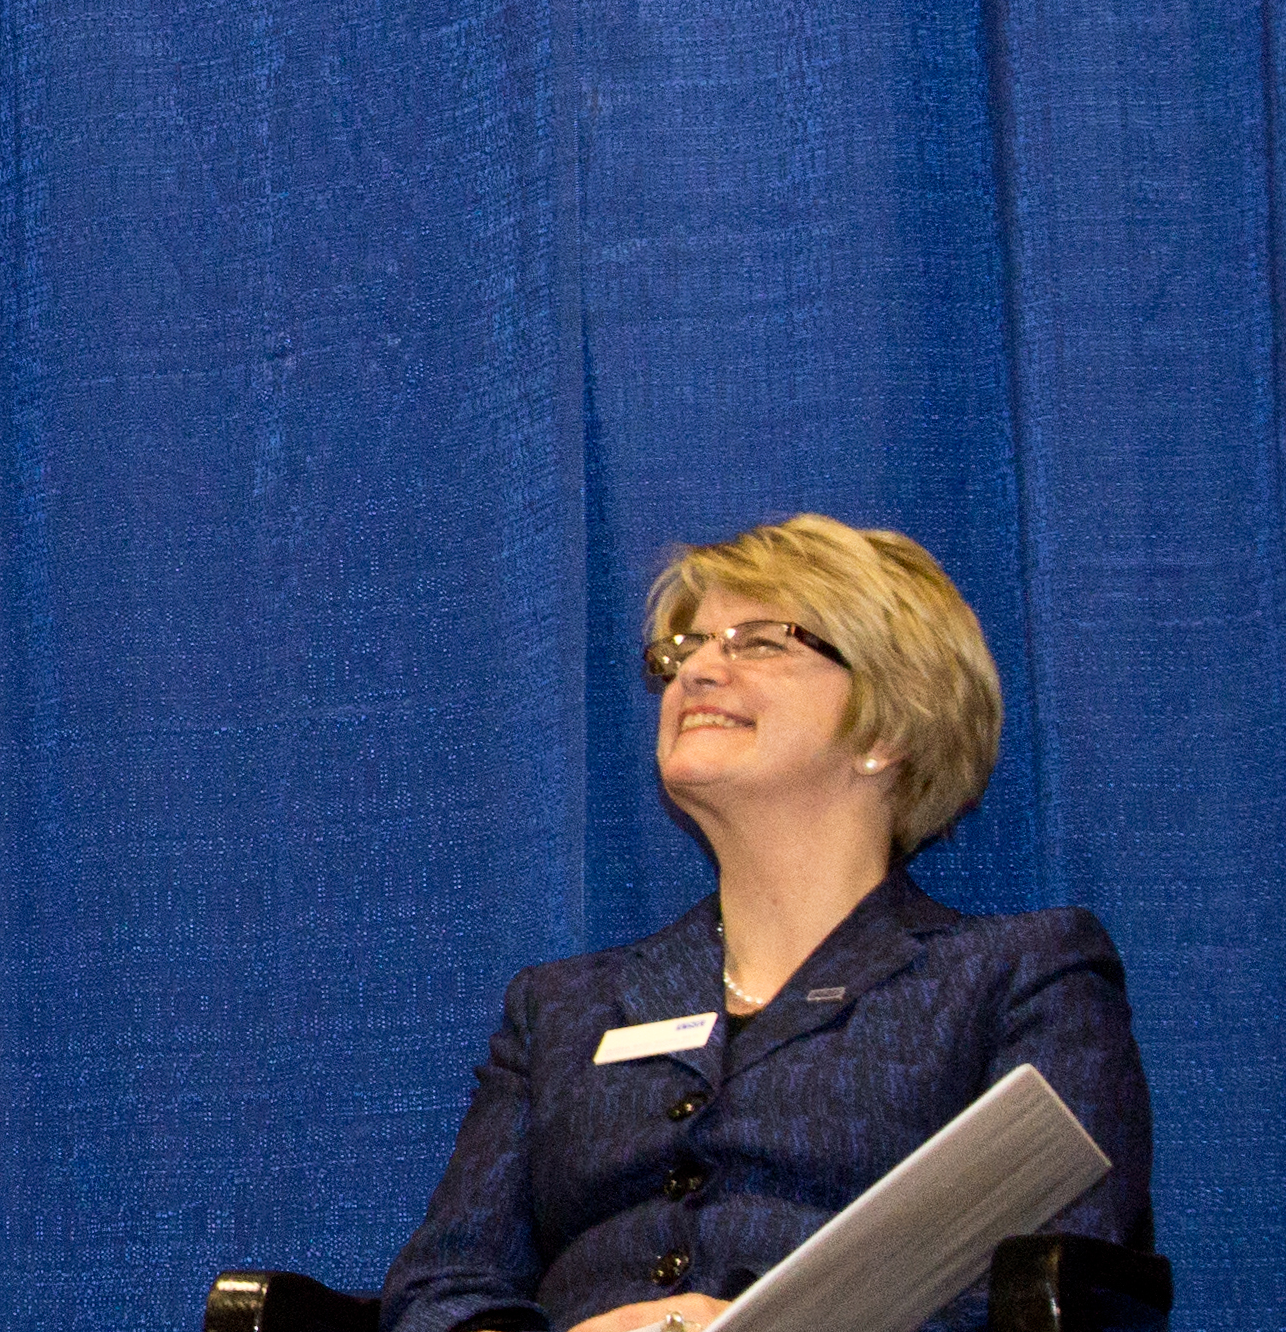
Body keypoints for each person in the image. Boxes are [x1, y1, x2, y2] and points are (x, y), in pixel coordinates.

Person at [378, 515, 1149, 1332]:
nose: (697, 670)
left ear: (886, 727)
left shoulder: (1018, 977)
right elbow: (438, 1288)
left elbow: (1061, 1283)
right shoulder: (560, 1008)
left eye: (759, 641)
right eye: (684, 651)